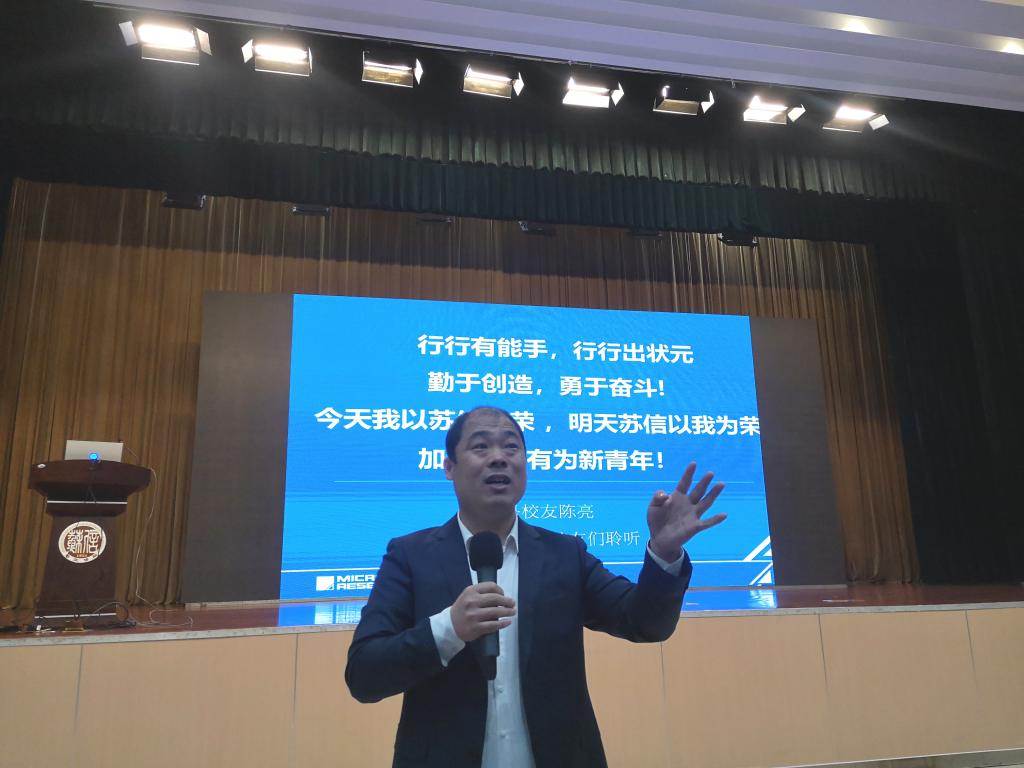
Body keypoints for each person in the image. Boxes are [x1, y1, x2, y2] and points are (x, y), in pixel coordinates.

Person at [345, 405, 726, 768]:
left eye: (511, 447)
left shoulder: (565, 554)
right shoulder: (410, 556)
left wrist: (664, 552)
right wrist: (448, 628)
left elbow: (646, 623)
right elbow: (364, 675)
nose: (499, 458)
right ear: (449, 467)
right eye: (481, 446)